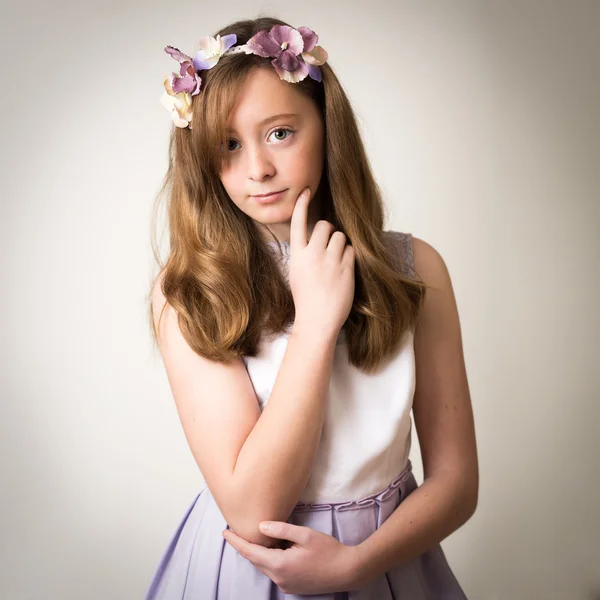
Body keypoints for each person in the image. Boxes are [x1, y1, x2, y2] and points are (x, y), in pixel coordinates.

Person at [145, 15, 478, 599]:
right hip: (255, 574)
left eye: (279, 133)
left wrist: (358, 565)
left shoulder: (415, 268)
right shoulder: (191, 293)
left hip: (389, 560)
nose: (258, 169)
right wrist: (316, 325)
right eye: (228, 144)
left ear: (326, 126)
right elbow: (252, 510)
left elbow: (456, 482)